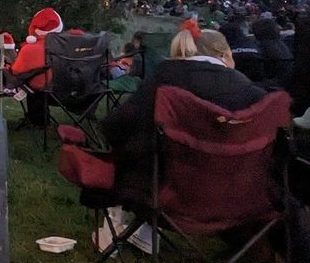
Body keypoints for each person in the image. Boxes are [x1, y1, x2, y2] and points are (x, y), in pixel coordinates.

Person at [102, 24, 268, 206]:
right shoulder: (250, 92)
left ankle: (140, 231)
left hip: (162, 192)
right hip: (234, 195)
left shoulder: (164, 78)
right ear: (225, 54)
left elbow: (115, 125)